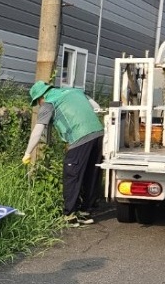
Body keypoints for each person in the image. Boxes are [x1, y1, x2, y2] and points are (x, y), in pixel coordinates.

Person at [22, 80, 104, 228]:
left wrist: (28, 153)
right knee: (91, 174)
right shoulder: (74, 91)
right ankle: (86, 212)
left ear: (41, 97)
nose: (39, 105)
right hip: (99, 135)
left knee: (71, 175)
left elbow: (38, 130)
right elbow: (97, 107)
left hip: (80, 137)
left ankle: (69, 215)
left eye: (37, 102)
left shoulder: (48, 103)